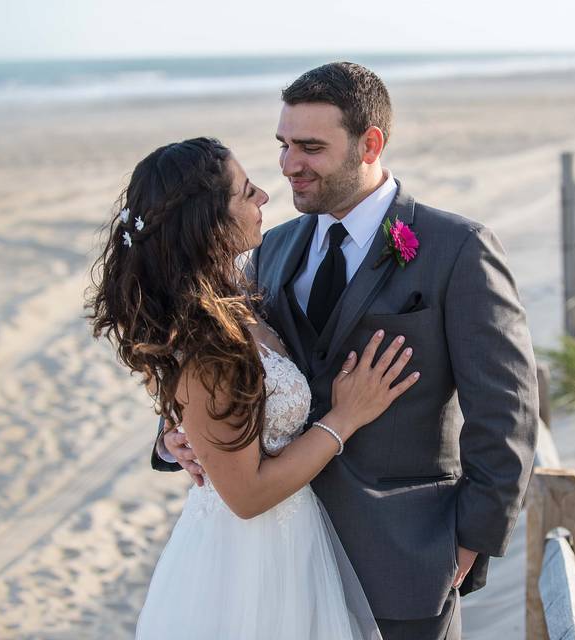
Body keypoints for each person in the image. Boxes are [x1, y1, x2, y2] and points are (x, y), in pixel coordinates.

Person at [156, 63, 540, 640]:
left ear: (370, 144)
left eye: (310, 147)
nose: (289, 165)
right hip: (279, 561)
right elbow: (215, 361)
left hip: (405, 562)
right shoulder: (272, 248)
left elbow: (506, 410)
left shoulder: (457, 249)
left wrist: (469, 543)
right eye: (284, 145)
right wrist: (173, 438)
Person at [88, 137, 420, 638]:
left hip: (297, 541)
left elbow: (221, 413)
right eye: (245, 193)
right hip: (247, 560)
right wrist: (344, 418)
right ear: (210, 223)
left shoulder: (237, 293)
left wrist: (178, 436)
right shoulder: (207, 341)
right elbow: (247, 495)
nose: (265, 196)